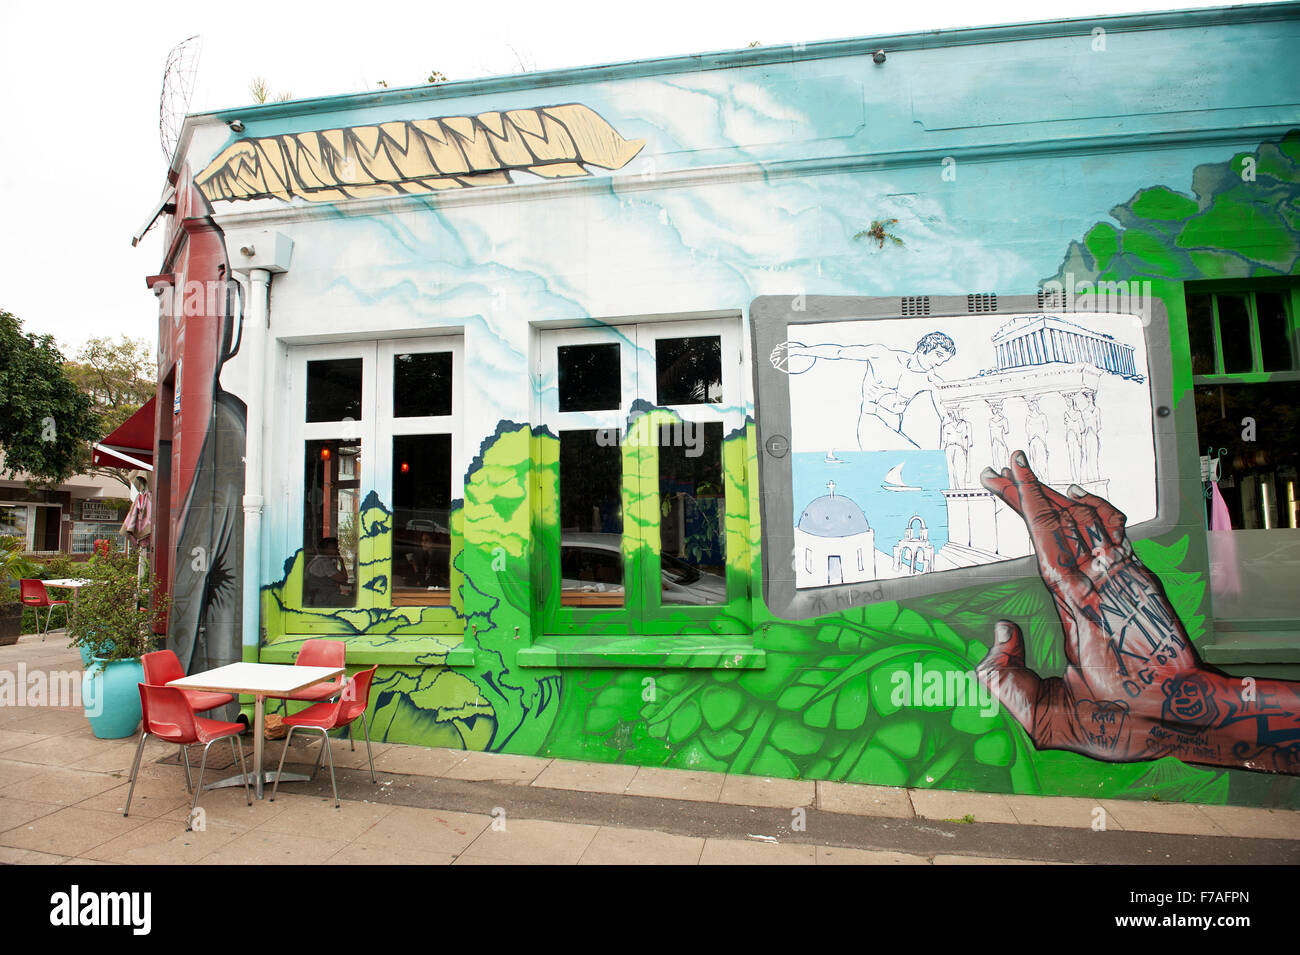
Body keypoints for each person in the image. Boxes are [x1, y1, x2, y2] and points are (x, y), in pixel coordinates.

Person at [771, 331, 956, 450]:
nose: (939, 362)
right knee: (914, 458)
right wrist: (800, 352)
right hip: (871, 425)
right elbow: (839, 352)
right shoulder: (882, 355)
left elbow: (946, 411)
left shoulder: (931, 380)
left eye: (944, 360)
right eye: (938, 355)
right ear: (923, 348)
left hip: (894, 429)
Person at [305, 537, 350, 606]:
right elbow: (343, 579)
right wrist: (341, 562)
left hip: (324, 596)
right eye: (334, 548)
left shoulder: (318, 560)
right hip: (325, 599)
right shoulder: (324, 562)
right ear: (325, 549)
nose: (337, 550)